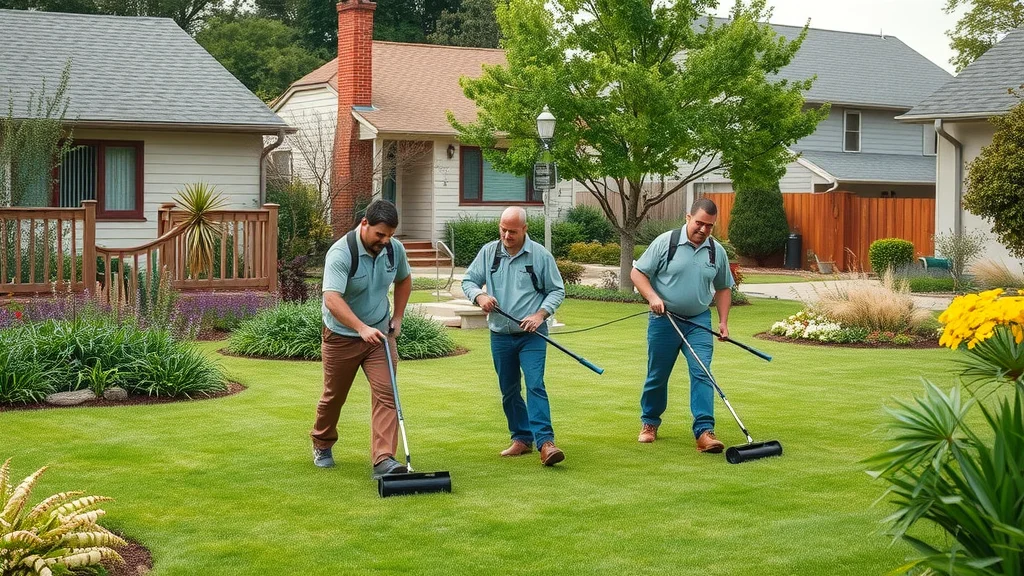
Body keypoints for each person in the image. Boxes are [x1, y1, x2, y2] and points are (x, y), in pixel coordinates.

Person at [311, 199, 412, 478]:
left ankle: (383, 460)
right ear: (364, 223)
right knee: (334, 396)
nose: (385, 240)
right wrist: (360, 328)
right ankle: (322, 442)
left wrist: (398, 317)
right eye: (380, 234)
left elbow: (404, 280)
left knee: (387, 394)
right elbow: (331, 299)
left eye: (390, 235)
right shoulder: (341, 253)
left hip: (379, 335)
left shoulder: (394, 250)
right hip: (341, 336)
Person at [462, 207, 567, 466]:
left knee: (534, 385)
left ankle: (546, 443)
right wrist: (480, 296)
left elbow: (557, 290)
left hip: (532, 335)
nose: (506, 235)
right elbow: (468, 281)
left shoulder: (540, 255)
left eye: (512, 231)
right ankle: (521, 439)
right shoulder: (489, 253)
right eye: (503, 229)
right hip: (499, 333)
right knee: (509, 390)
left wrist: (540, 315)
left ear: (525, 229)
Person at [630, 197, 734, 453]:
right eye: (699, 223)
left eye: (709, 226)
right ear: (688, 217)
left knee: (702, 372)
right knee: (658, 374)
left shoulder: (715, 251)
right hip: (664, 320)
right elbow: (637, 273)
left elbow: (723, 287)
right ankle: (649, 422)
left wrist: (723, 322)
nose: (703, 230)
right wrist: (653, 297)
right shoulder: (666, 242)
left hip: (698, 321)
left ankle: (705, 432)